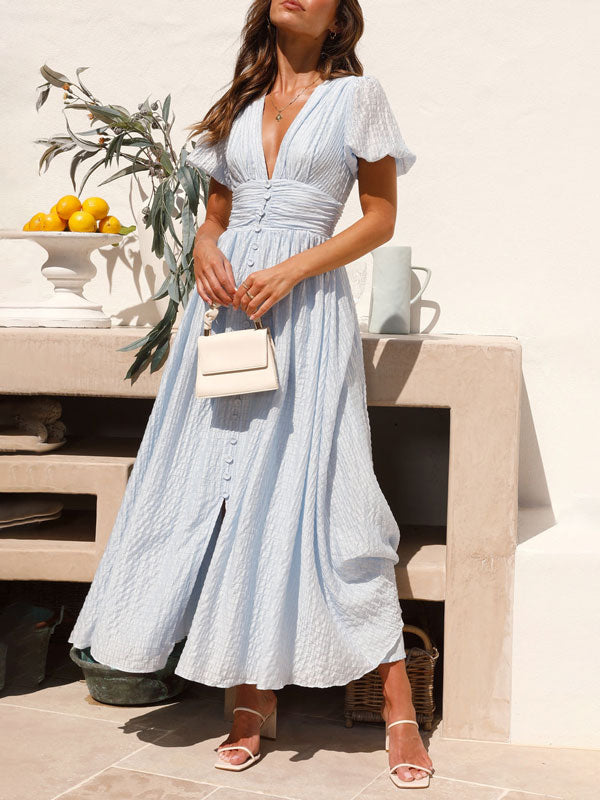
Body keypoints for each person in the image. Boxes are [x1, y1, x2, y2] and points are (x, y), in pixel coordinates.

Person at [68, 0, 434, 788]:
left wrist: (296, 268)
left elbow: (379, 218)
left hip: (304, 312)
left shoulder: (356, 98)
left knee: (329, 491)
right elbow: (217, 217)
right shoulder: (237, 102)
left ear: (339, 18)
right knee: (226, 493)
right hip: (228, 315)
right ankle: (250, 699)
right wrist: (205, 247)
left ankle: (398, 703)